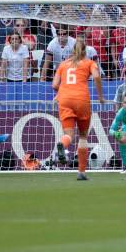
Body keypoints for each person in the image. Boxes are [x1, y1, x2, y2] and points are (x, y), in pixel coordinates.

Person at [52, 38, 106, 181]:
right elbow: (96, 77)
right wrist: (101, 96)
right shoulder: (89, 62)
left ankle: (62, 145)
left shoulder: (63, 64)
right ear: (85, 51)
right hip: (81, 100)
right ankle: (81, 172)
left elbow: (54, 84)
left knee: (69, 134)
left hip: (64, 99)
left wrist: (61, 93)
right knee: (83, 136)